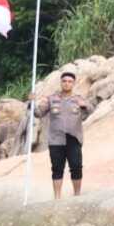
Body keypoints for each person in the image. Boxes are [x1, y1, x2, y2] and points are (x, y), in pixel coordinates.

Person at [35, 70, 92, 199]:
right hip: (56, 139)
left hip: (74, 137)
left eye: (70, 82)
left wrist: (85, 106)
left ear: (73, 84)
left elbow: (91, 110)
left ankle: (77, 195)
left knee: (76, 166)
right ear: (61, 83)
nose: (67, 84)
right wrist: (32, 104)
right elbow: (38, 113)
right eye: (64, 81)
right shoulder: (51, 99)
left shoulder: (79, 99)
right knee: (57, 168)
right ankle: (57, 198)